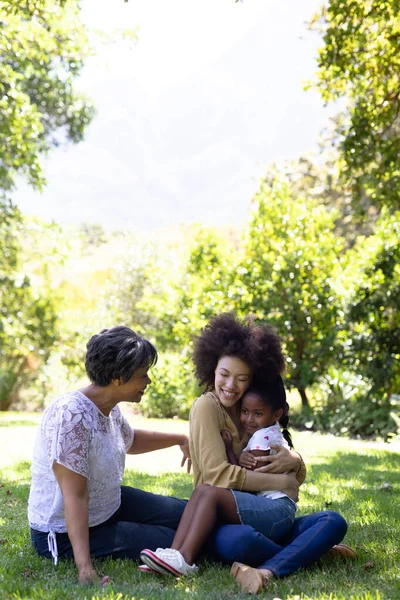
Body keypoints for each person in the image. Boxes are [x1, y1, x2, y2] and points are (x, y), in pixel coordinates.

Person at [181, 313, 356, 594]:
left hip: (264, 513)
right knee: (237, 543)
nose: (230, 386)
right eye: (224, 375)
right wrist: (281, 482)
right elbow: (218, 475)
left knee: (332, 520)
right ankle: (307, 553)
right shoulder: (208, 407)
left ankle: (287, 557)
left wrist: (296, 462)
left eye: (241, 379)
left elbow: (288, 468)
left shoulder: (249, 411)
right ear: (211, 369)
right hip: (228, 517)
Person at [139, 379, 297, 577]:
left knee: (211, 494)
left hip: (277, 510)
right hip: (269, 506)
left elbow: (249, 483)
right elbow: (247, 475)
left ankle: (185, 559)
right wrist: (234, 452)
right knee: (203, 490)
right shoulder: (263, 432)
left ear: (276, 414)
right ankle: (173, 554)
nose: (248, 419)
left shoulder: (261, 438)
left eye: (257, 414)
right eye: (245, 411)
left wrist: (231, 453)